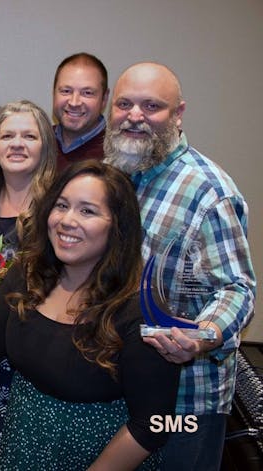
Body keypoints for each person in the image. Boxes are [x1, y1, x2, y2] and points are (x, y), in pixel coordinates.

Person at [0, 161, 181, 470]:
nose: (67, 220)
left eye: (87, 211)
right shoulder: (28, 273)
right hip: (23, 443)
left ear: (118, 226)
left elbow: (154, 424)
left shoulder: (141, 308)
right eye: (61, 206)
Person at [103, 62, 256, 470]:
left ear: (178, 114)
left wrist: (202, 336)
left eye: (152, 105)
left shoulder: (209, 191)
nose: (135, 116)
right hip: (127, 387)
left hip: (187, 399)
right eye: (125, 104)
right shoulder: (117, 175)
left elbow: (238, 289)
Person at [0, 99, 57, 466]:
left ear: (45, 146)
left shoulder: (58, 205)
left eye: (29, 136)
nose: (17, 144)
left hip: (36, 356)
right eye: (7, 135)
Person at [52, 52, 109, 172]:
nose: (74, 102)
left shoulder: (117, 153)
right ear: (54, 93)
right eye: (66, 91)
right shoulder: (38, 143)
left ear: (104, 98)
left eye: (87, 93)